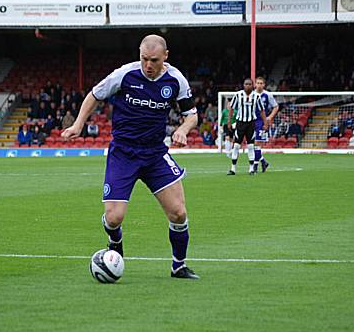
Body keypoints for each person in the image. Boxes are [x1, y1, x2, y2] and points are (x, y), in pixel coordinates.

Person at [61, 34, 200, 279]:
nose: (148, 65)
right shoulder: (124, 74)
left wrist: (182, 129)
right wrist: (78, 125)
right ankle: (115, 240)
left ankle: (178, 266)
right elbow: (94, 94)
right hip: (123, 153)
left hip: (155, 154)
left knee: (178, 213)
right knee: (114, 218)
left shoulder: (176, 79)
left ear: (165, 56)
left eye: (154, 60)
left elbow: (192, 114)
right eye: (144, 59)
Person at [226, 78, 268, 176]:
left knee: (250, 146)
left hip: (251, 123)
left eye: (249, 84)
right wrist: (229, 121)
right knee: (236, 146)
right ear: (243, 85)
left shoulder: (256, 96)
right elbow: (231, 108)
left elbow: (262, 110)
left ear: (252, 85)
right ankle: (233, 169)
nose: (248, 86)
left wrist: (265, 123)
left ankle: (251, 169)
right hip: (240, 123)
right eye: (246, 84)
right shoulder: (238, 95)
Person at [253, 76, 278, 174]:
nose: (259, 85)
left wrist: (270, 117)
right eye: (257, 83)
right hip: (252, 121)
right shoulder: (251, 95)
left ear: (264, 85)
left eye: (261, 83)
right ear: (255, 84)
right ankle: (263, 162)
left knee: (257, 143)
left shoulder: (267, 95)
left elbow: (276, 107)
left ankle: (255, 165)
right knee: (252, 144)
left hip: (261, 121)